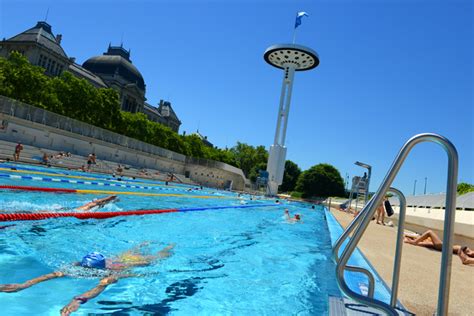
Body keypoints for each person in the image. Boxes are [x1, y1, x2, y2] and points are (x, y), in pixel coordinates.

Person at [0, 243, 175, 315]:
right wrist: (24, 285)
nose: (85, 271)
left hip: (132, 264)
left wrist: (78, 299)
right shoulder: (79, 265)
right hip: (120, 257)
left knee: (156, 258)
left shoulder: (109, 273)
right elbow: (52, 275)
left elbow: (100, 287)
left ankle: (168, 247)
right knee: (130, 252)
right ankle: (141, 245)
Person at [404, 230, 474, 265]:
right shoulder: (468, 253)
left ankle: (413, 241)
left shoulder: (467, 254)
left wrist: (461, 249)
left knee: (429, 232)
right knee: (426, 243)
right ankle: (411, 241)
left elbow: (465, 260)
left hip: (443, 247)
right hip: (444, 246)